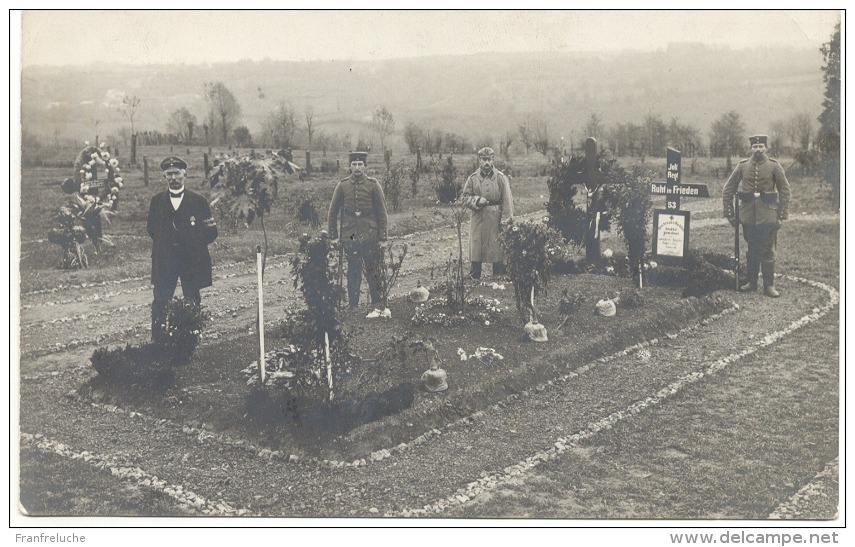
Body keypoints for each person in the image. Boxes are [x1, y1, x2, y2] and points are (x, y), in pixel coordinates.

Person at [147, 157, 218, 339]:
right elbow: (152, 230)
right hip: (165, 260)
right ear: (164, 176)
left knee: (192, 299)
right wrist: (168, 246)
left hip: (191, 260)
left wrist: (192, 244)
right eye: (169, 174)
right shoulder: (157, 201)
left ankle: (191, 337)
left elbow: (211, 233)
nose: (173, 177)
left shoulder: (199, 201)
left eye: (177, 173)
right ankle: (159, 340)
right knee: (161, 300)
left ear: (184, 174)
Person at [722, 135, 791, 297]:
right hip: (748, 216)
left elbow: (785, 190)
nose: (758, 150)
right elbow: (728, 189)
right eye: (755, 147)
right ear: (751, 148)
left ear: (766, 148)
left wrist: (781, 214)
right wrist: (731, 215)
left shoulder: (774, 166)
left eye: (761, 146)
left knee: (767, 250)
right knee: (752, 249)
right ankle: (751, 282)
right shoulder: (742, 166)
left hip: (768, 215)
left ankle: (768, 286)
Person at [327, 151, 388, 308]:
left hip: (369, 233)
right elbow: (332, 213)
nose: (357, 167)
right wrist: (333, 236)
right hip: (351, 235)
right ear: (350, 166)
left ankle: (377, 303)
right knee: (353, 270)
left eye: (360, 164)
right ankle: (353, 306)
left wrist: (382, 238)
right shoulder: (342, 186)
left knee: (372, 269)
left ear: (365, 166)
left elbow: (382, 213)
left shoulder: (374, 186)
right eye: (354, 164)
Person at [461, 147, 514, 279]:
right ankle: (475, 274)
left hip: (495, 216)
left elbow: (507, 201)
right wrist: (477, 200)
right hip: (478, 216)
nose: (486, 163)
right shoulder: (472, 178)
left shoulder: (501, 178)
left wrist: (506, 221)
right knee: (476, 245)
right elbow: (464, 198)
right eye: (483, 160)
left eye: (489, 160)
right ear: (479, 160)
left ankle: (499, 273)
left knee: (497, 245)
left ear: (493, 160)